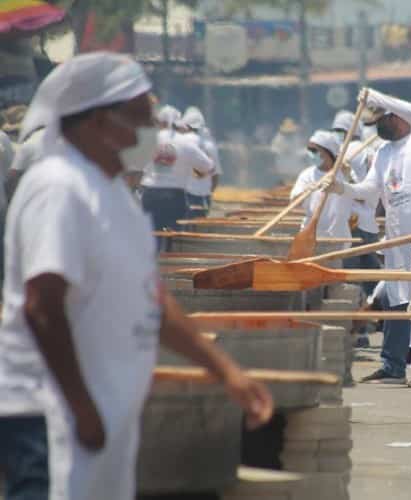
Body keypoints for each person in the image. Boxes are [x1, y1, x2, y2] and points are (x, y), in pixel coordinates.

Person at [0, 51, 273, 500]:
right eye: (141, 116)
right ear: (97, 122)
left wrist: (227, 373)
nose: (153, 130)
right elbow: (42, 304)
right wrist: (80, 404)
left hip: (102, 412)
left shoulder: (117, 195)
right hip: (49, 414)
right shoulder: (59, 186)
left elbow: (154, 301)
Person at [325, 87, 411, 385]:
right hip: (395, 239)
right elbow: (369, 190)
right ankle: (393, 365)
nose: (378, 124)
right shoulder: (383, 153)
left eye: (382, 117)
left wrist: (378, 97)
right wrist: (342, 189)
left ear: (398, 117)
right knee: (395, 303)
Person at [332, 110, 380, 348]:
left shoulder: (343, 152)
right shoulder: (366, 151)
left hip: (350, 224)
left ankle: (362, 328)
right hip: (366, 222)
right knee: (369, 277)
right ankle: (368, 322)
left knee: (353, 281)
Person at [140, 105, 214, 243]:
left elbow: (132, 166)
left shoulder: (148, 140)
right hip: (174, 198)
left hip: (150, 195)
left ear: (159, 122)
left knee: (150, 239)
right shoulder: (186, 142)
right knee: (174, 241)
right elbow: (208, 167)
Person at [291, 130, 352, 243]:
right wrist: (305, 191)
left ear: (328, 152)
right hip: (310, 236)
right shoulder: (307, 174)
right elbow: (294, 202)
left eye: (313, 150)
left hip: (339, 236)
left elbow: (361, 198)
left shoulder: (343, 173)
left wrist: (349, 178)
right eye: (308, 149)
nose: (309, 153)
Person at [180, 106, 222, 218]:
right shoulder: (210, 144)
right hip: (203, 196)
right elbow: (216, 175)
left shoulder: (182, 142)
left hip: (186, 195)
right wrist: (208, 192)